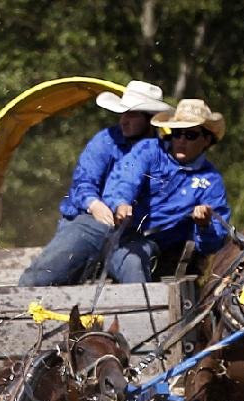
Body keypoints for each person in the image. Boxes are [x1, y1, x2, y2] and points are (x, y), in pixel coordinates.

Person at [18, 80, 173, 286]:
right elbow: (83, 183)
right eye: (123, 113)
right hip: (88, 222)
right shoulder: (105, 141)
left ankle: (143, 316)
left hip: (130, 235)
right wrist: (95, 204)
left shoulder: (163, 153)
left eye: (132, 115)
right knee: (40, 276)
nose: (124, 120)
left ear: (151, 119)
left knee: (134, 268)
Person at [100, 98, 231, 283]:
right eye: (177, 133)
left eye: (191, 135)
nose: (181, 140)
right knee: (133, 262)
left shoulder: (212, 181)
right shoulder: (149, 150)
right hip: (127, 239)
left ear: (207, 139)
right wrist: (121, 202)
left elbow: (213, 244)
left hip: (173, 254)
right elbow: (125, 178)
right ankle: (141, 310)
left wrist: (204, 226)